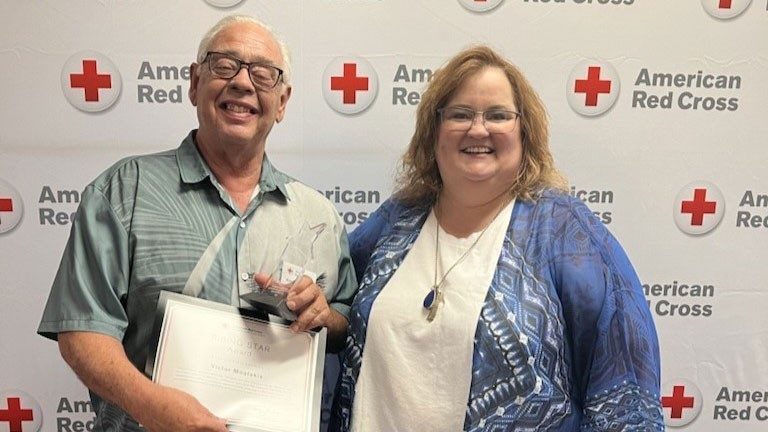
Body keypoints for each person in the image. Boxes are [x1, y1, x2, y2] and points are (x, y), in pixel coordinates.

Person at [37, 15, 356, 432]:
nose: (243, 83)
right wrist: (150, 405)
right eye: (225, 65)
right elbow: (81, 333)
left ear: (282, 102)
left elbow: (342, 326)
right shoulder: (124, 192)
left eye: (263, 74)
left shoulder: (319, 216)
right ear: (193, 83)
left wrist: (323, 316)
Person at [333, 46, 664, 431]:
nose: (478, 129)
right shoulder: (395, 222)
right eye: (459, 115)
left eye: (498, 115)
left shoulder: (565, 231)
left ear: (524, 132)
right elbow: (336, 306)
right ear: (433, 131)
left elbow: (627, 392)